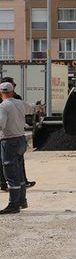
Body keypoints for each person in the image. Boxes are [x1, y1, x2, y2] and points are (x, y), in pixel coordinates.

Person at [0, 82, 35, 214]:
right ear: (12, 91)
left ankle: (13, 205)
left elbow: (1, 124)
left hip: (9, 141)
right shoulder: (20, 103)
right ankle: (22, 201)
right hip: (21, 140)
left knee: (11, 173)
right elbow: (32, 108)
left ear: (0, 93)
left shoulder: (3, 106)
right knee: (19, 172)